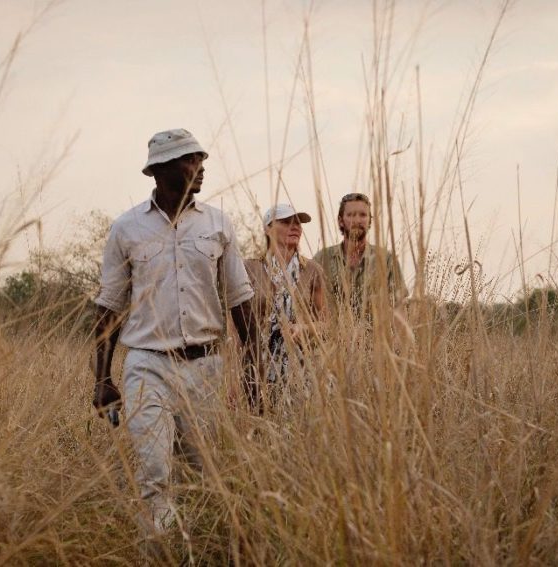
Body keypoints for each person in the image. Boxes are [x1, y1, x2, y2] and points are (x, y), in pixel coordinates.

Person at [90, 129, 255, 540]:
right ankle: (160, 550)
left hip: (205, 368)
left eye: (201, 159)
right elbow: (108, 307)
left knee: (203, 472)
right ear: (160, 171)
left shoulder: (218, 224)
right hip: (148, 365)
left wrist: (254, 369)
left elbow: (239, 299)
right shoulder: (126, 229)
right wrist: (101, 379)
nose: (200, 169)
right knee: (154, 471)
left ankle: (201, 547)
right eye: (190, 161)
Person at [243, 203, 326, 409]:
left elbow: (328, 325)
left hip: (301, 370)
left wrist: (305, 329)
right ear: (267, 228)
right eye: (286, 221)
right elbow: (235, 330)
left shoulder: (313, 270)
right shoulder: (249, 268)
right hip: (256, 368)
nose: (295, 226)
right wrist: (233, 380)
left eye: (298, 222)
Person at [313, 192, 408, 322]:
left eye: (363, 215)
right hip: (331, 339)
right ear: (341, 221)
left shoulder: (386, 259)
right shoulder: (322, 258)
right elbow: (304, 301)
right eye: (351, 215)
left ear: (369, 220)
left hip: (375, 338)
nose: (357, 221)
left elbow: (400, 306)